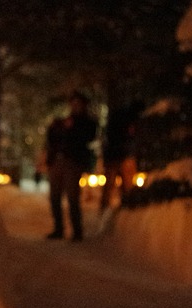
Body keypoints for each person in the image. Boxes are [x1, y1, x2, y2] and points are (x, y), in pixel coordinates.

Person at [44, 91, 97, 241]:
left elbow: (87, 137)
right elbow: (51, 138)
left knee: (72, 197)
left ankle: (77, 231)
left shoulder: (87, 122)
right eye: (73, 104)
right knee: (55, 196)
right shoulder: (63, 121)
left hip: (73, 163)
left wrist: (71, 129)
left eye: (78, 104)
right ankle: (58, 229)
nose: (75, 107)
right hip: (58, 161)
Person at [100, 100, 144, 212]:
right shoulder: (128, 119)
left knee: (114, 186)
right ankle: (124, 207)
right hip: (119, 156)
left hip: (116, 155)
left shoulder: (119, 117)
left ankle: (113, 208)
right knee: (123, 185)